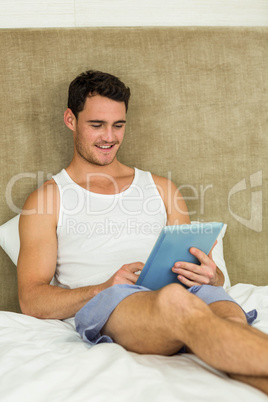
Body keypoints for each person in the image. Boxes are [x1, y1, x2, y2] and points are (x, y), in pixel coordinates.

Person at [17, 70, 268, 395]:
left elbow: (196, 261)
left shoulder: (163, 189)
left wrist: (213, 276)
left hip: (189, 291)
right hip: (115, 300)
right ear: (70, 119)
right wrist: (101, 288)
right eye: (97, 125)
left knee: (227, 322)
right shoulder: (49, 198)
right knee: (177, 304)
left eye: (118, 125)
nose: (109, 136)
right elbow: (32, 299)